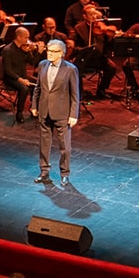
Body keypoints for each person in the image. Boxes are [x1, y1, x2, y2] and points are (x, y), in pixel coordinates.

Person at [32, 38, 79, 186]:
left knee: (65, 146)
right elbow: (38, 87)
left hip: (62, 112)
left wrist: (73, 114)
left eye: (53, 51)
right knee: (44, 144)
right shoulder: (42, 65)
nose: (49, 54)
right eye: (48, 50)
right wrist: (34, 105)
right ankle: (44, 171)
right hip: (44, 110)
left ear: (61, 53)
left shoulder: (70, 69)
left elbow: (75, 94)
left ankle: (65, 174)